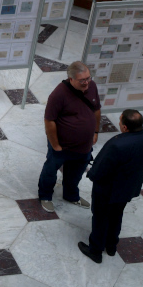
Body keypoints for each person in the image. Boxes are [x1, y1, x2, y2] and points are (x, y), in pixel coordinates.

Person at [78, 109, 143, 264]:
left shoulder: (116, 144)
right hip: (129, 187)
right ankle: (111, 246)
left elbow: (99, 170)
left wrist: (91, 175)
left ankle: (95, 250)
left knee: (100, 218)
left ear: (124, 127)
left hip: (107, 189)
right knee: (117, 214)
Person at [38, 61, 101, 213]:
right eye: (82, 80)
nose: (86, 82)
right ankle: (45, 196)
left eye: (88, 78)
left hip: (84, 145)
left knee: (76, 173)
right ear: (71, 79)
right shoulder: (58, 94)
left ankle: (71, 196)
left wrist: (95, 132)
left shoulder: (92, 86)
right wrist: (55, 145)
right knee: (50, 170)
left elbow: (96, 109)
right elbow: (49, 121)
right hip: (62, 145)